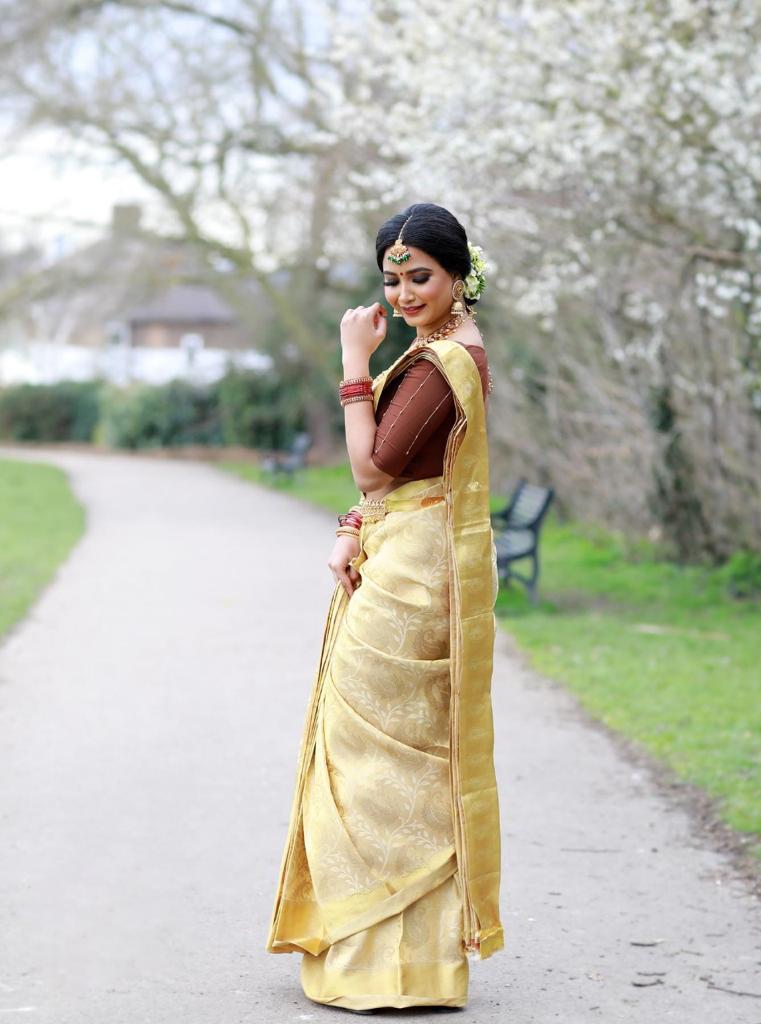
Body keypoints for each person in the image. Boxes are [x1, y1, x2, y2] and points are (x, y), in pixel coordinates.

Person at [265, 202, 504, 1013]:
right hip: (406, 552)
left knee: (376, 762)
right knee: (377, 759)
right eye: (393, 280)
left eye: (420, 277)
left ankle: (388, 965)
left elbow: (373, 469)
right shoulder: (438, 350)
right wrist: (351, 528)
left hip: (414, 580)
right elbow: (401, 482)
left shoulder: (445, 364)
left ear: (459, 275)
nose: (403, 294)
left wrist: (350, 359)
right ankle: (389, 960)